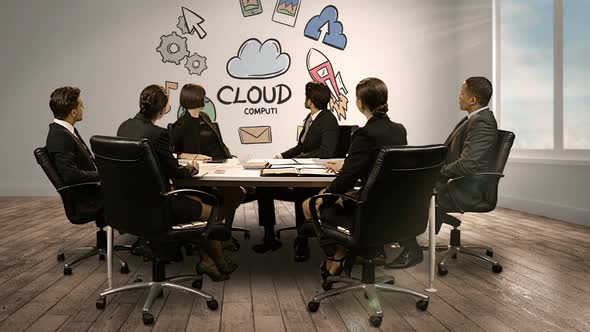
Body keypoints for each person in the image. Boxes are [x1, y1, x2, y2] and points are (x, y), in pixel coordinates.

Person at [117, 84, 236, 281]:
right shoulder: (158, 134)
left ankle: (211, 260)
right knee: (211, 211)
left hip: (129, 204)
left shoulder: (124, 127)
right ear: (163, 109)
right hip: (158, 204)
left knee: (192, 202)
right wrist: (192, 168)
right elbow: (177, 172)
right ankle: (215, 262)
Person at [386, 76, 498, 269]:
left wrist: (436, 172)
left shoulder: (482, 122)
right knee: (404, 182)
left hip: (464, 187)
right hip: (455, 181)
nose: (459, 96)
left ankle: (410, 247)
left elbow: (469, 165)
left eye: (462, 92)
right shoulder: (472, 119)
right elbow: (451, 152)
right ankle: (404, 239)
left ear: (472, 100)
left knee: (403, 189)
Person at [302, 77, 407, 278]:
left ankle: (336, 256)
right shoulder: (399, 130)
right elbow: (382, 163)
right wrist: (349, 164)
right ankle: (345, 253)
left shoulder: (363, 134)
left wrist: (325, 197)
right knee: (337, 196)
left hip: (369, 206)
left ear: (360, 103)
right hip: (393, 205)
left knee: (309, 204)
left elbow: (347, 178)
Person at [253, 82, 340, 262]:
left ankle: (302, 240)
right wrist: (281, 156)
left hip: (313, 173)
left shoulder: (328, 120)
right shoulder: (311, 118)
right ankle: (269, 237)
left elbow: (326, 152)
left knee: (301, 191)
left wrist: (300, 158)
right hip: (300, 168)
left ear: (311, 100)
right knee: (264, 187)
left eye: (306, 96)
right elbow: (302, 146)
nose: (305, 99)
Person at [169, 84, 246, 251]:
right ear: (195, 98)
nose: (204, 99)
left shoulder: (204, 117)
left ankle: (224, 231)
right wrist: (195, 157)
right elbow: (173, 152)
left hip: (219, 165)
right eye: (202, 96)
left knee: (237, 192)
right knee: (229, 194)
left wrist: (229, 159)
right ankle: (216, 231)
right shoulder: (181, 125)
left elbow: (218, 143)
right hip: (199, 173)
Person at [46, 86, 102, 218]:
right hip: (88, 199)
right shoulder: (60, 136)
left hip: (94, 190)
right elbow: (70, 175)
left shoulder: (65, 131)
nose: (83, 109)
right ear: (73, 112)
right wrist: (103, 175)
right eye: (81, 106)